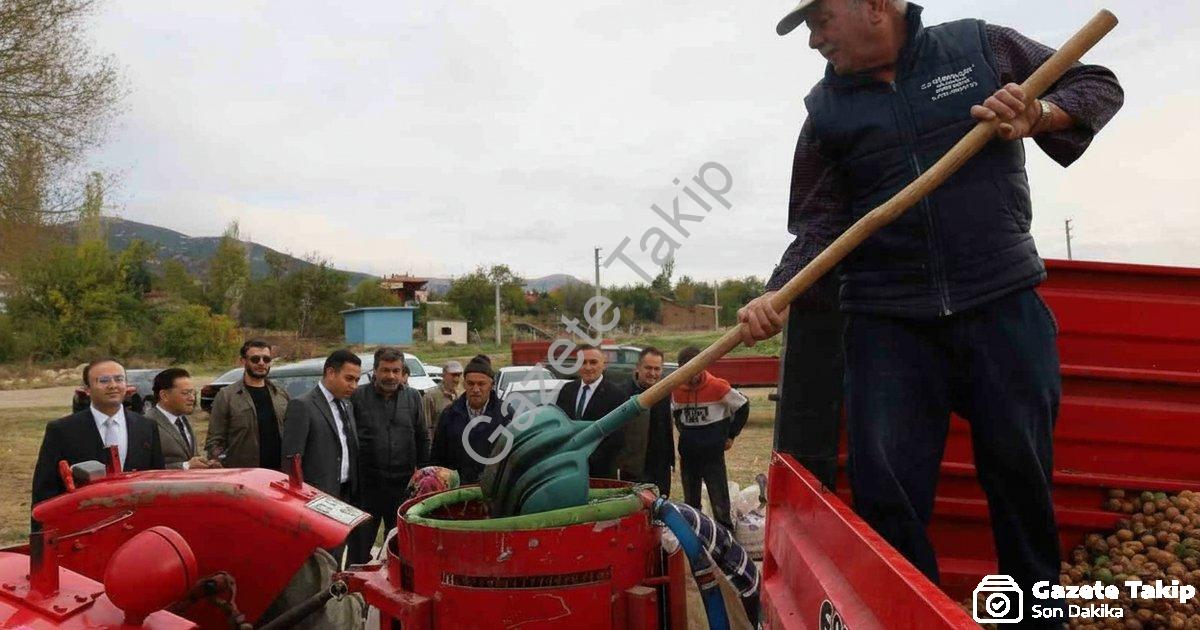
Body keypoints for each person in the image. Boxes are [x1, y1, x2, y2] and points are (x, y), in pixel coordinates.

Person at [739, 0, 1123, 622]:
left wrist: (1038, 114)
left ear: (875, 6)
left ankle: (1036, 615)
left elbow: (1096, 83)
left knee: (1021, 476)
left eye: (821, 21)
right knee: (885, 489)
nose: (813, 41)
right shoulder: (825, 112)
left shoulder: (979, 48)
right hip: (887, 322)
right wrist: (775, 295)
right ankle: (913, 614)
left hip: (1001, 302)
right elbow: (818, 226)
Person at [32, 359, 166, 508]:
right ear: (87, 389)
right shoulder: (62, 430)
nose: (113, 385)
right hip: (85, 520)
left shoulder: (146, 427)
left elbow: (157, 479)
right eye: (103, 380)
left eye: (119, 379)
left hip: (137, 519)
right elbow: (44, 489)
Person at [347, 347, 429, 564]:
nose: (390, 376)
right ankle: (353, 594)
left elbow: (422, 437)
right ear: (375, 371)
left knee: (398, 549)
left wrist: (422, 476)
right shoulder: (358, 397)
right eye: (385, 370)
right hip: (367, 488)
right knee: (359, 548)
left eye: (396, 371)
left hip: (402, 487)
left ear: (402, 372)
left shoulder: (413, 398)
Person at [671, 346, 749, 532]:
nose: (692, 375)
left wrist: (731, 435)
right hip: (689, 455)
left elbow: (743, 406)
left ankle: (726, 538)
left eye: (696, 368)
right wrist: (686, 435)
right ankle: (696, 535)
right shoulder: (676, 390)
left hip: (713, 455)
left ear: (703, 365)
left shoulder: (718, 386)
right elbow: (677, 415)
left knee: (719, 501)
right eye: (687, 370)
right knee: (691, 502)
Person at [280, 350, 361, 502]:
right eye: (349, 379)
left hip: (347, 494)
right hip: (316, 496)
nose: (354, 386)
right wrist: (299, 498)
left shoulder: (347, 405)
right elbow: (291, 461)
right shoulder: (302, 405)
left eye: (357, 380)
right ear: (331, 372)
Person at [206, 340, 290, 469]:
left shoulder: (280, 394)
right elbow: (215, 439)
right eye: (255, 359)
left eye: (266, 359)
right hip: (244, 476)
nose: (261, 363)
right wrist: (217, 462)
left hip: (279, 475)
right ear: (243, 361)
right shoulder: (226, 396)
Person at [429, 355, 511, 484]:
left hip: (493, 492)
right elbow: (437, 457)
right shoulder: (449, 415)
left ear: (492, 385)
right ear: (464, 384)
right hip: (457, 493)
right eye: (471, 384)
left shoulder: (506, 415)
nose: (476, 389)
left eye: (481, 384)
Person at [553, 344, 627, 478]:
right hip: (566, 468)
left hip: (599, 470)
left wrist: (585, 458)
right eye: (583, 362)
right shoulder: (567, 390)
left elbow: (616, 437)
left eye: (593, 362)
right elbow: (559, 426)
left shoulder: (616, 395)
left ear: (603, 364)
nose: (588, 367)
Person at [618, 347, 674, 495]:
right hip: (632, 469)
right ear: (638, 367)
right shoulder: (621, 393)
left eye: (657, 369)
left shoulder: (665, 393)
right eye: (648, 368)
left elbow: (668, 429)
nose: (653, 373)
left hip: (660, 467)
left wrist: (671, 462)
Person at [146, 368, 217, 470]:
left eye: (193, 393)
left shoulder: (183, 420)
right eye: (185, 393)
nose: (192, 398)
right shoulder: (146, 424)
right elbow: (144, 469)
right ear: (164, 395)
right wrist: (185, 466)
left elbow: (190, 457)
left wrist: (206, 464)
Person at [422, 360, 462, 435]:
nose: (456, 379)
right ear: (443, 375)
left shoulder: (462, 396)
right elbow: (426, 426)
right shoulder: (431, 397)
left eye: (459, 375)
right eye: (453, 375)